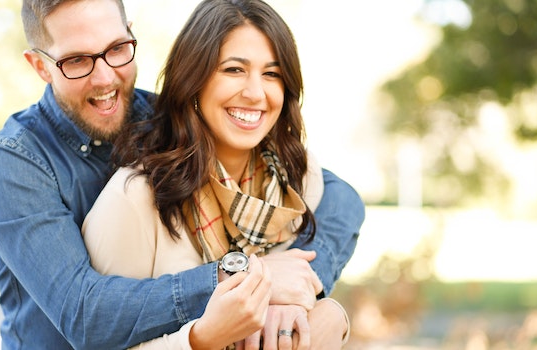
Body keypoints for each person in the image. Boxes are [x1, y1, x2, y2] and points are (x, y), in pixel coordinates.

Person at [0, 0, 365, 348]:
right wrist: (246, 280)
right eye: (76, 60)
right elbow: (84, 314)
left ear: (131, 38)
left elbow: (340, 198)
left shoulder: (169, 120)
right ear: (40, 65)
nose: (106, 78)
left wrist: (299, 285)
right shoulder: (14, 162)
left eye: (116, 49)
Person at [82, 0, 355, 348]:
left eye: (271, 74)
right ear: (193, 79)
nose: (256, 93)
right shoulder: (135, 198)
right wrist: (201, 338)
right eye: (234, 70)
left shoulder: (298, 178)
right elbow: (99, 339)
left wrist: (329, 317)